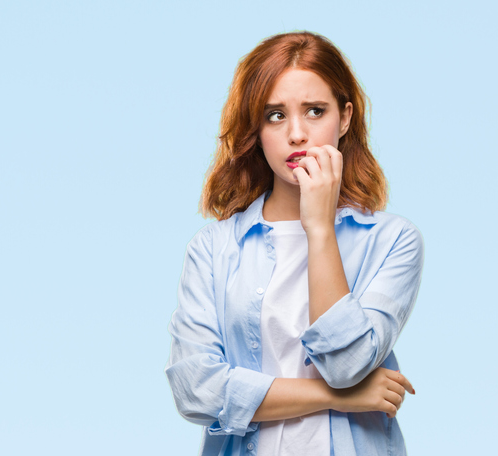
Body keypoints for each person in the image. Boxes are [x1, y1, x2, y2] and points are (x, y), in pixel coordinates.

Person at [165, 31, 424, 456]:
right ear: (257, 128)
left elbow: (345, 366)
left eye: (315, 111)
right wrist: (336, 397)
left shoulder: (392, 241)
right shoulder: (213, 249)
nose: (297, 134)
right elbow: (196, 391)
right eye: (275, 116)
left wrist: (319, 227)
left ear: (344, 118)